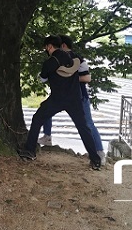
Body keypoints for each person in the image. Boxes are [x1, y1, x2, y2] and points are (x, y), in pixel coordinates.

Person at [18, 35, 101, 170]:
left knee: (38, 118)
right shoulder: (75, 58)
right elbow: (85, 76)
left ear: (50, 46)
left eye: (46, 48)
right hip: (75, 99)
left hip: (56, 99)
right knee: (83, 127)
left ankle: (29, 151)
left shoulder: (49, 62)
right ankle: (95, 160)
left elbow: (43, 79)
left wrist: (46, 72)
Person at [37, 35, 106, 165]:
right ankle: (47, 136)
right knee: (44, 110)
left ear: (63, 46)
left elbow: (87, 78)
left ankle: (99, 152)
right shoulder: (56, 59)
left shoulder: (77, 59)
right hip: (60, 95)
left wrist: (69, 77)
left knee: (87, 124)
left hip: (79, 97)